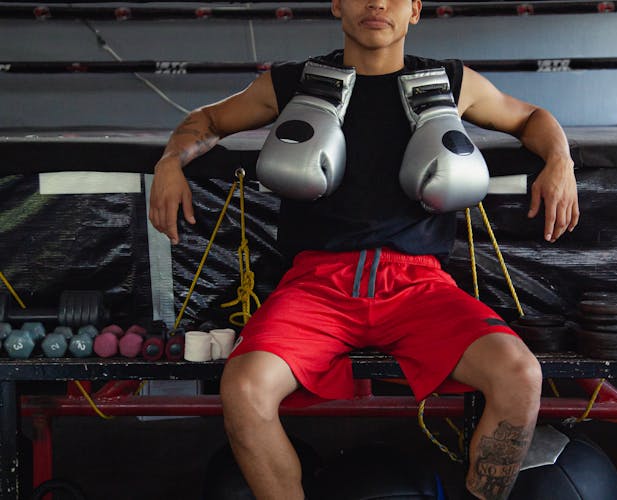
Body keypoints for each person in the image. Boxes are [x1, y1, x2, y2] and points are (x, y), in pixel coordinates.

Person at [149, 0, 579, 498]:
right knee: (244, 389)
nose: (377, 3)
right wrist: (169, 163)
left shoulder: (450, 82)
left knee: (520, 376)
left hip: (418, 287)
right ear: (337, 4)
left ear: (415, 10)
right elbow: (208, 120)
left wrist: (560, 160)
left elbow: (530, 117)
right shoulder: (294, 84)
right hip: (317, 287)